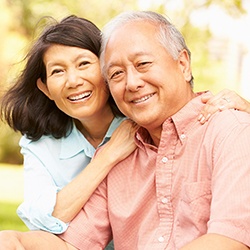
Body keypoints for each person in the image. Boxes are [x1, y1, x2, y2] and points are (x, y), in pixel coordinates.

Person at [1, 11, 250, 250]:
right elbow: (73, 243)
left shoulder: (229, 131)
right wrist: (15, 242)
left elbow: (230, 241)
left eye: (143, 64)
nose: (132, 83)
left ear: (183, 64)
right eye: (117, 73)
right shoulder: (120, 152)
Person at [0, 15, 139, 250]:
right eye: (58, 71)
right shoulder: (40, 145)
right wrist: (107, 157)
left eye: (84, 64)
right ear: (45, 88)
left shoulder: (140, 121)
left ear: (107, 67)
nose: (73, 80)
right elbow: (44, 219)